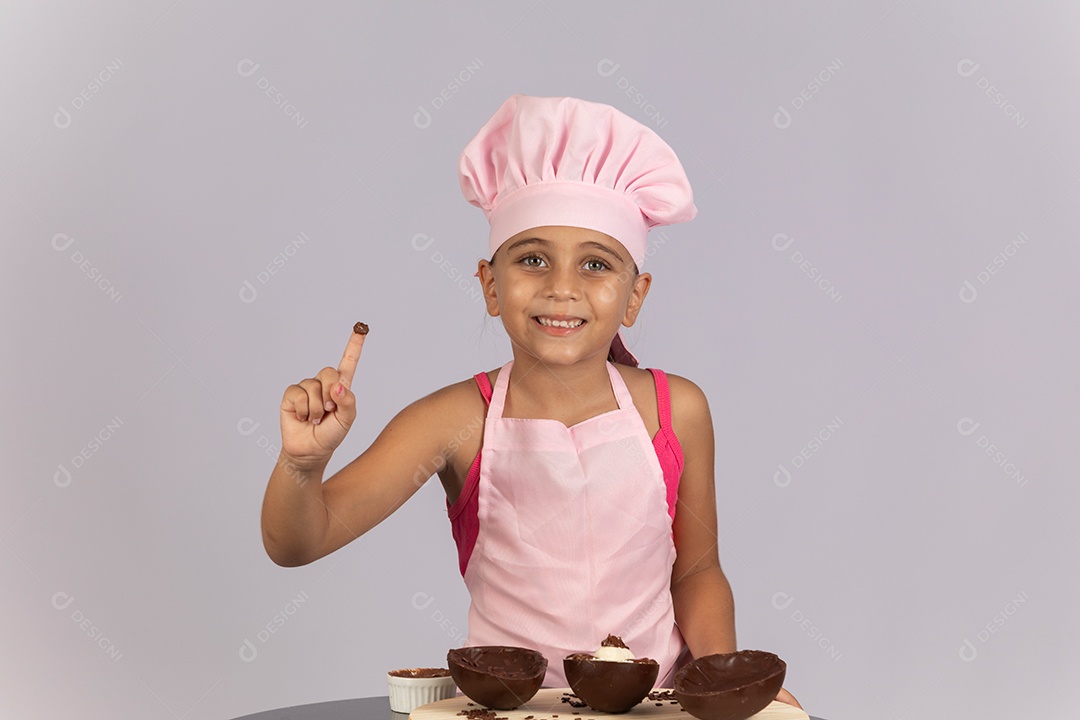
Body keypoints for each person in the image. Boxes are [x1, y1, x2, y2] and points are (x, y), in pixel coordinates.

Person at [260, 94, 802, 709]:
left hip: (653, 705)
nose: (562, 287)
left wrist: (721, 690)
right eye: (533, 259)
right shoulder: (454, 422)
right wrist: (302, 466)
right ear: (491, 285)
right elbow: (299, 543)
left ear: (634, 295)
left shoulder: (678, 410)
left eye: (596, 264)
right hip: (516, 707)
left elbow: (697, 572)